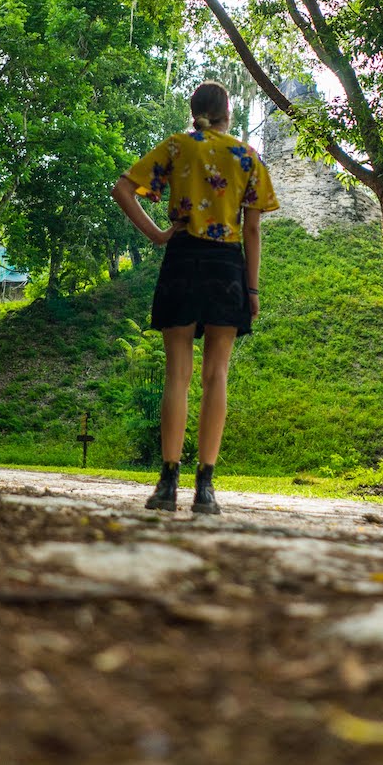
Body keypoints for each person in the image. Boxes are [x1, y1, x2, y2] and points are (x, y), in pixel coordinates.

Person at [111, 80, 279, 514]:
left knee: (177, 377)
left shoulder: (176, 146)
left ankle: (167, 483)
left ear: (194, 111)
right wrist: (253, 288)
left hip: (183, 260)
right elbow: (255, 229)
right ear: (229, 112)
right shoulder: (246, 156)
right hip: (227, 267)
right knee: (216, 376)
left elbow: (123, 189)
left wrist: (158, 234)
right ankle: (205, 487)